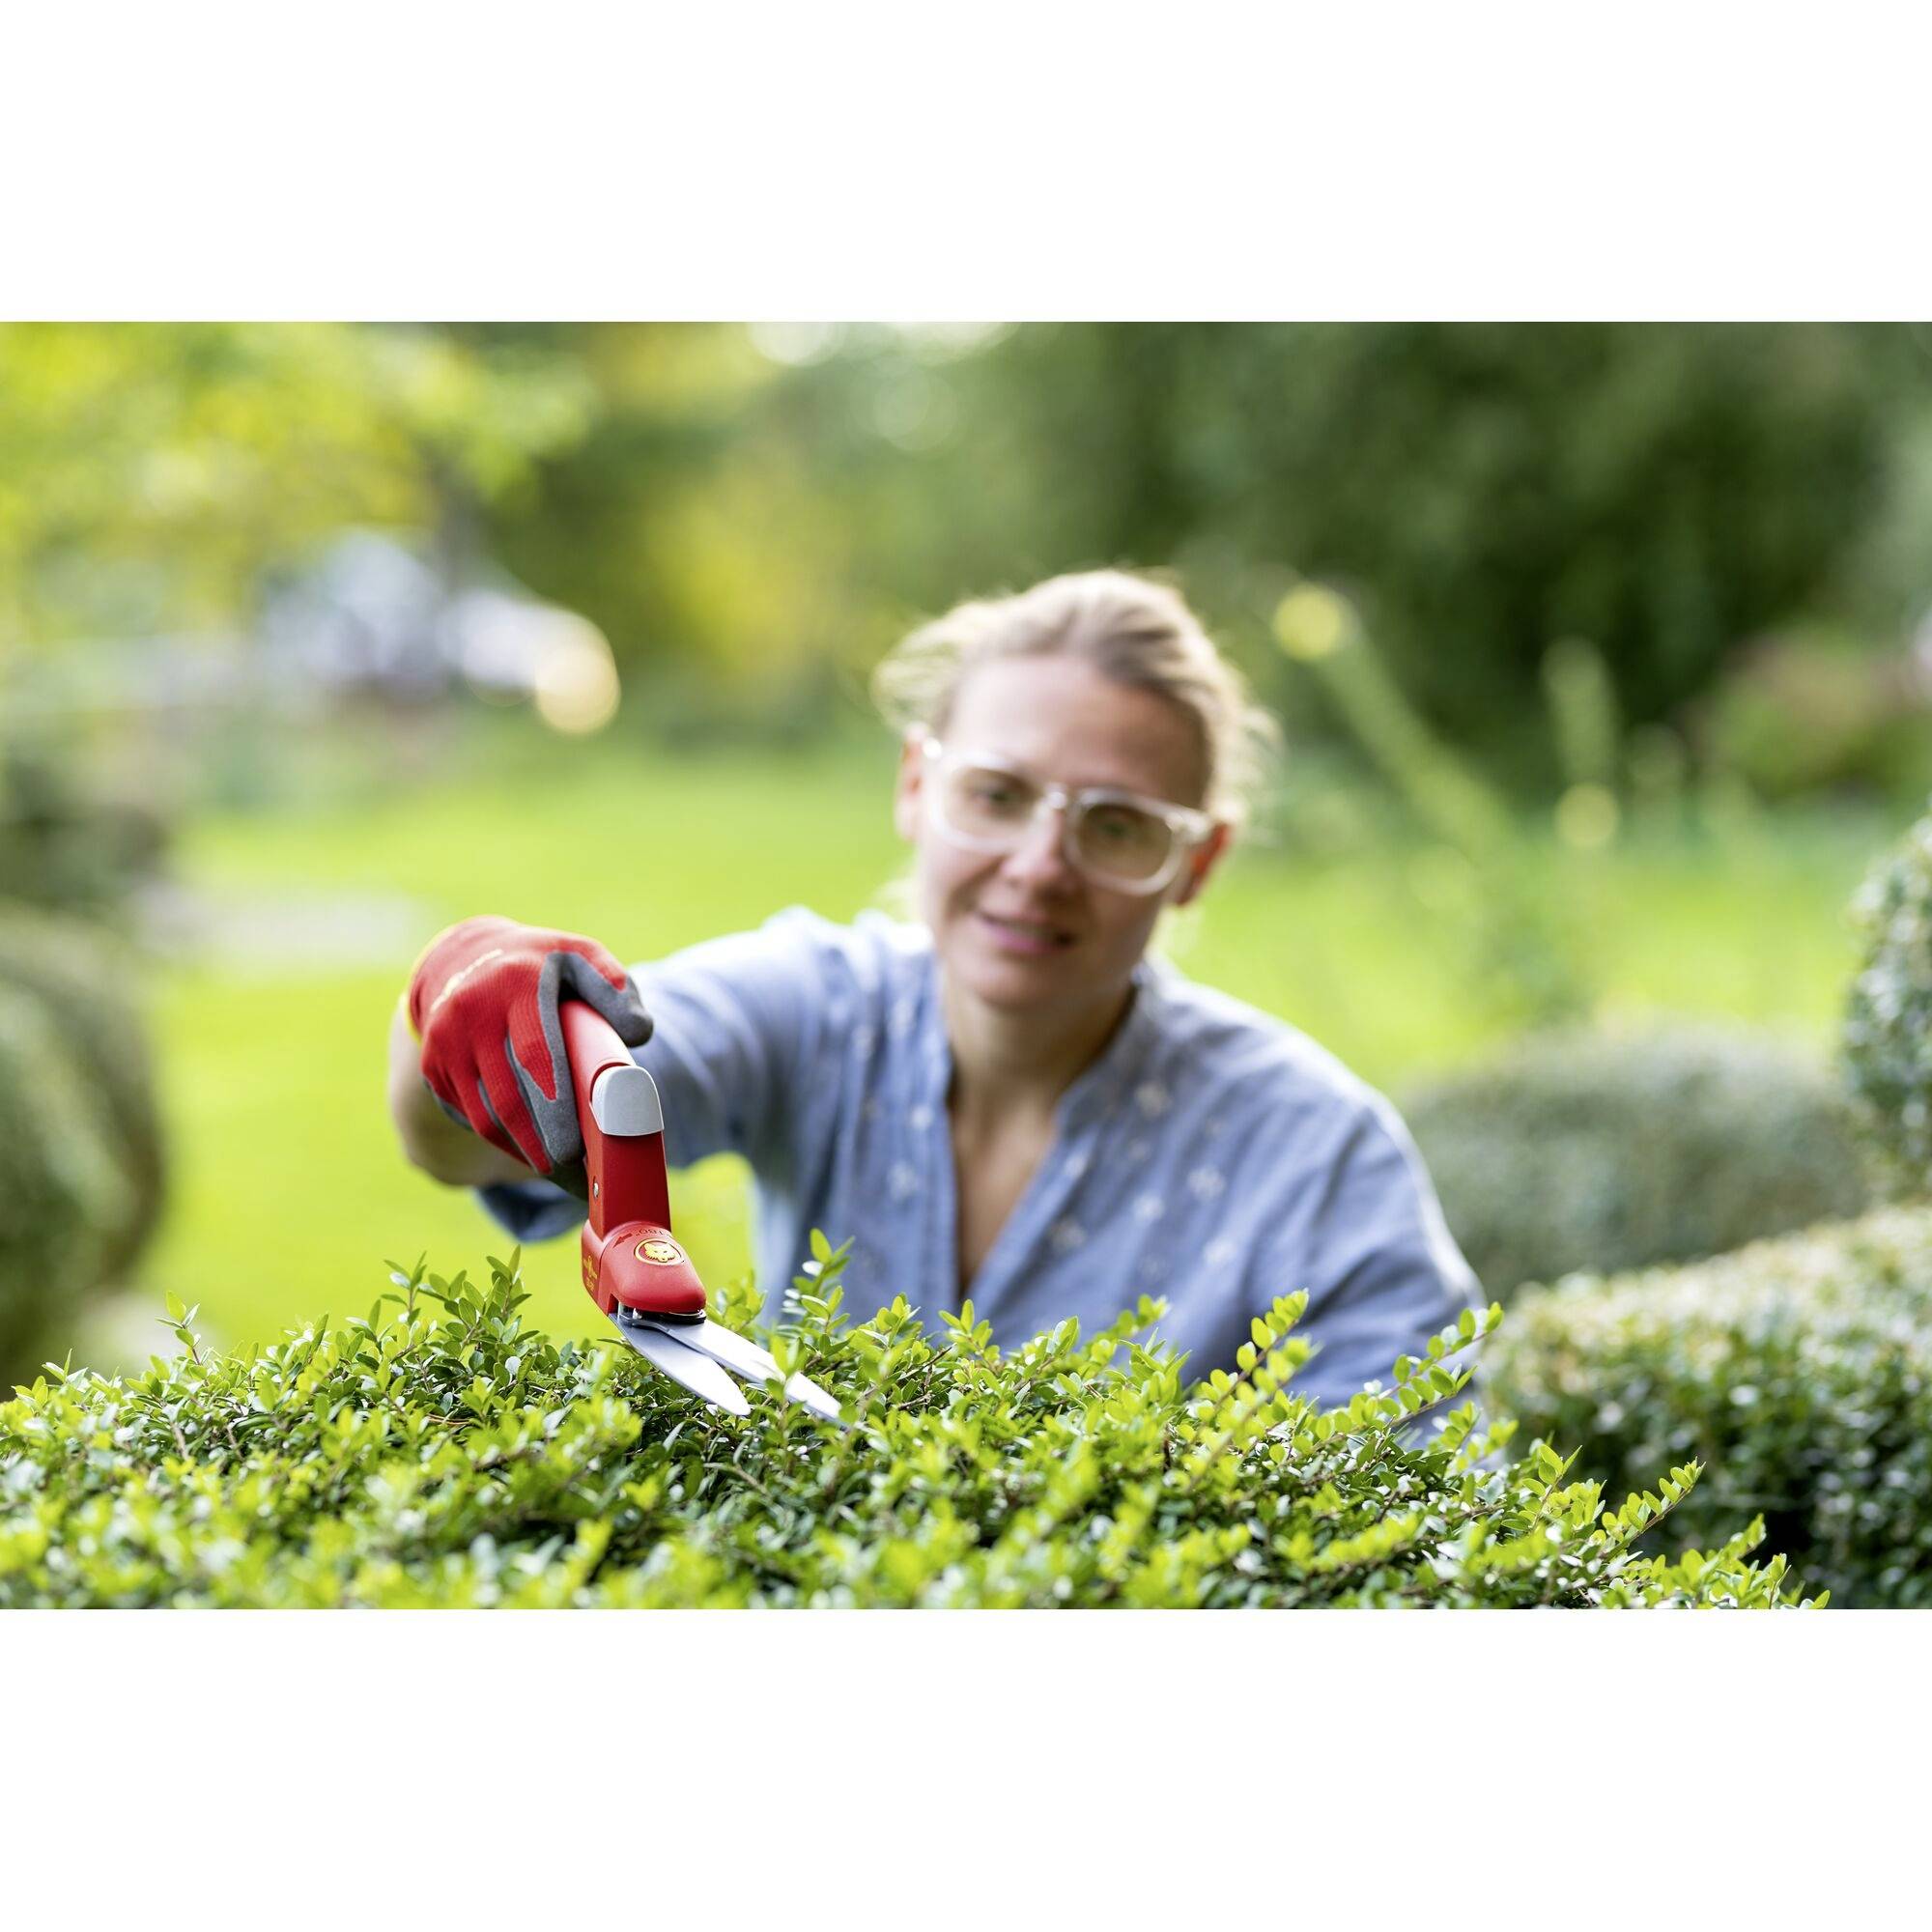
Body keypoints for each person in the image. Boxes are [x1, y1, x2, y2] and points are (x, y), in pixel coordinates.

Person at [386, 569, 1478, 1407]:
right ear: (918, 784)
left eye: (1115, 824)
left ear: (1195, 860)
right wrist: (455, 1001)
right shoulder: (818, 1010)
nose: (1040, 864)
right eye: (997, 793)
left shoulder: (1313, 1150)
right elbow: (473, 1139)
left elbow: (1428, 1516)